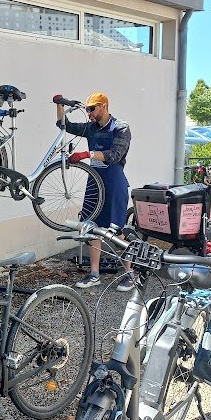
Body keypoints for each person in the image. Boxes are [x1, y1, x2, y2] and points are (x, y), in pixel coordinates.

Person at [55, 91, 133, 291]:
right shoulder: (90, 127)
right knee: (91, 228)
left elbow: (115, 155)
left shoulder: (121, 128)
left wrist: (87, 154)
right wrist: (59, 105)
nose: (88, 113)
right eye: (87, 109)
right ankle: (94, 274)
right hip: (94, 182)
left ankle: (129, 275)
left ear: (103, 106)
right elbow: (66, 126)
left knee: (118, 230)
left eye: (91, 109)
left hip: (115, 183)